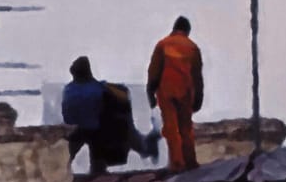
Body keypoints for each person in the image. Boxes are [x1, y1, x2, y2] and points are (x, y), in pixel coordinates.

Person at [61, 56, 158, 172]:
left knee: (81, 150)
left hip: (77, 129)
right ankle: (144, 149)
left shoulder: (69, 89)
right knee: (119, 127)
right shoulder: (97, 88)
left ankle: (68, 171)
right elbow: (122, 96)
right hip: (93, 129)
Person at [146, 16, 204, 171]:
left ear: (174, 28)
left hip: (167, 92)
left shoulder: (162, 45)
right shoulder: (193, 47)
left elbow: (154, 71)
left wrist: (150, 91)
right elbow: (197, 76)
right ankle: (190, 162)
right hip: (186, 92)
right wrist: (199, 97)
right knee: (186, 127)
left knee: (171, 128)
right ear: (187, 31)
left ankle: (178, 164)